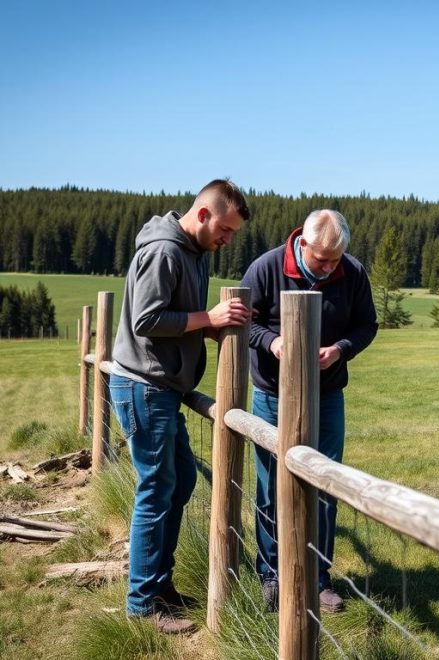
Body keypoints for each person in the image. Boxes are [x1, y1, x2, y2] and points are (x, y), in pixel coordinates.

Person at [109, 179, 252, 634]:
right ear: (205, 214)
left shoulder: (191, 253)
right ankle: (142, 604)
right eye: (226, 230)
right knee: (156, 489)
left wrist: (203, 327)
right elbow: (147, 319)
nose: (228, 240)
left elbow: (175, 315)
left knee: (180, 478)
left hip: (160, 388)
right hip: (145, 386)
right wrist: (207, 319)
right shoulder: (167, 252)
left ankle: (158, 584)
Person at [241, 209, 378, 613]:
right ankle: (271, 574)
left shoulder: (352, 272)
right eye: (322, 259)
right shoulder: (265, 268)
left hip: (327, 395)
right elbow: (242, 323)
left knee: (324, 485)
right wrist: (272, 343)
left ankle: (318, 580)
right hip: (272, 395)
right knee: (271, 487)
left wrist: (340, 350)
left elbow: (366, 325)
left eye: (336, 259)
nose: (330, 266)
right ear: (303, 244)